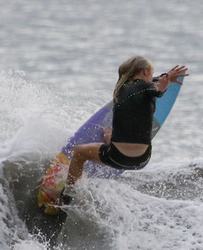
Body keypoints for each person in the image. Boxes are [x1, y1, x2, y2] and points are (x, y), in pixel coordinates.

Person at [47, 56, 188, 205]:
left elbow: (152, 88)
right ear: (146, 71)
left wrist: (162, 84)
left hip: (118, 156)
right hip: (142, 159)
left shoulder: (123, 91)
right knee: (137, 118)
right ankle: (110, 142)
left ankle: (67, 195)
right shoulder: (143, 91)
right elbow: (151, 88)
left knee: (79, 152)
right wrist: (163, 84)